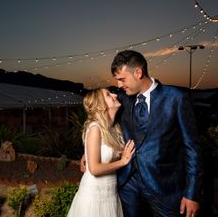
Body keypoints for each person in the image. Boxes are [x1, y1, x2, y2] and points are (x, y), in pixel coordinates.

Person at [110, 50, 203, 217]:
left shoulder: (176, 97)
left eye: (122, 79)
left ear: (138, 72)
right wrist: (88, 150)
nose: (119, 85)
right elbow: (99, 118)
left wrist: (192, 193)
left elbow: (192, 148)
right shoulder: (122, 99)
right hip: (128, 183)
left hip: (164, 185)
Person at [67, 88, 135, 217]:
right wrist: (123, 161)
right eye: (108, 95)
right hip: (93, 196)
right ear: (100, 105)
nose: (115, 95)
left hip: (111, 194)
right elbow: (94, 169)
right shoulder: (95, 128)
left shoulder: (115, 128)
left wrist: (86, 154)